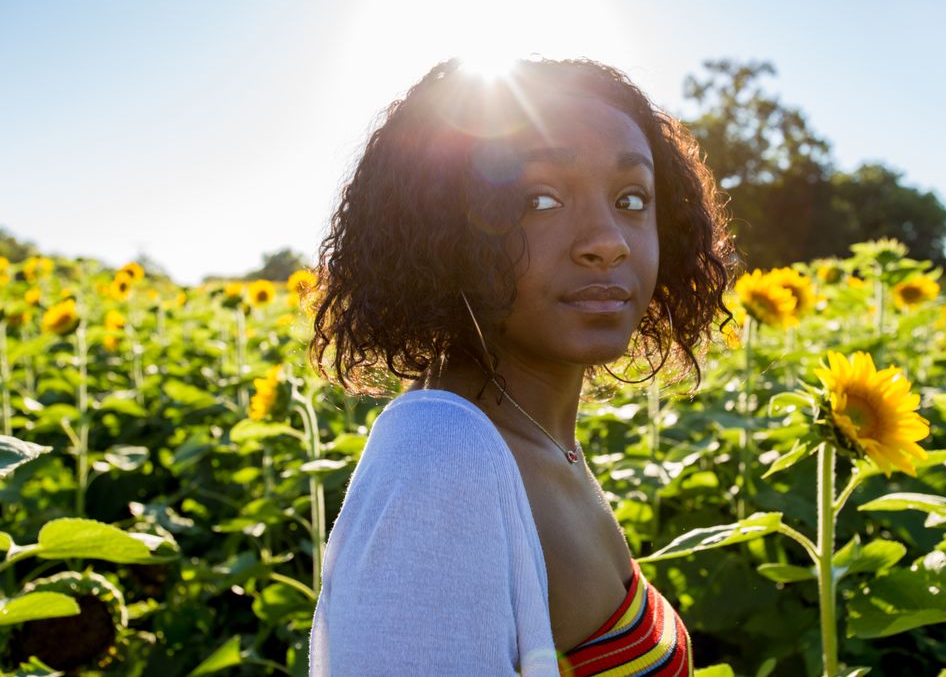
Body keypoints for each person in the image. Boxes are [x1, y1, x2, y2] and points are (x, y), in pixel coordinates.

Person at [307, 57, 734, 676]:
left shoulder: (535, 438)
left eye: (631, 198)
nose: (608, 239)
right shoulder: (441, 457)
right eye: (541, 198)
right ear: (442, 231)